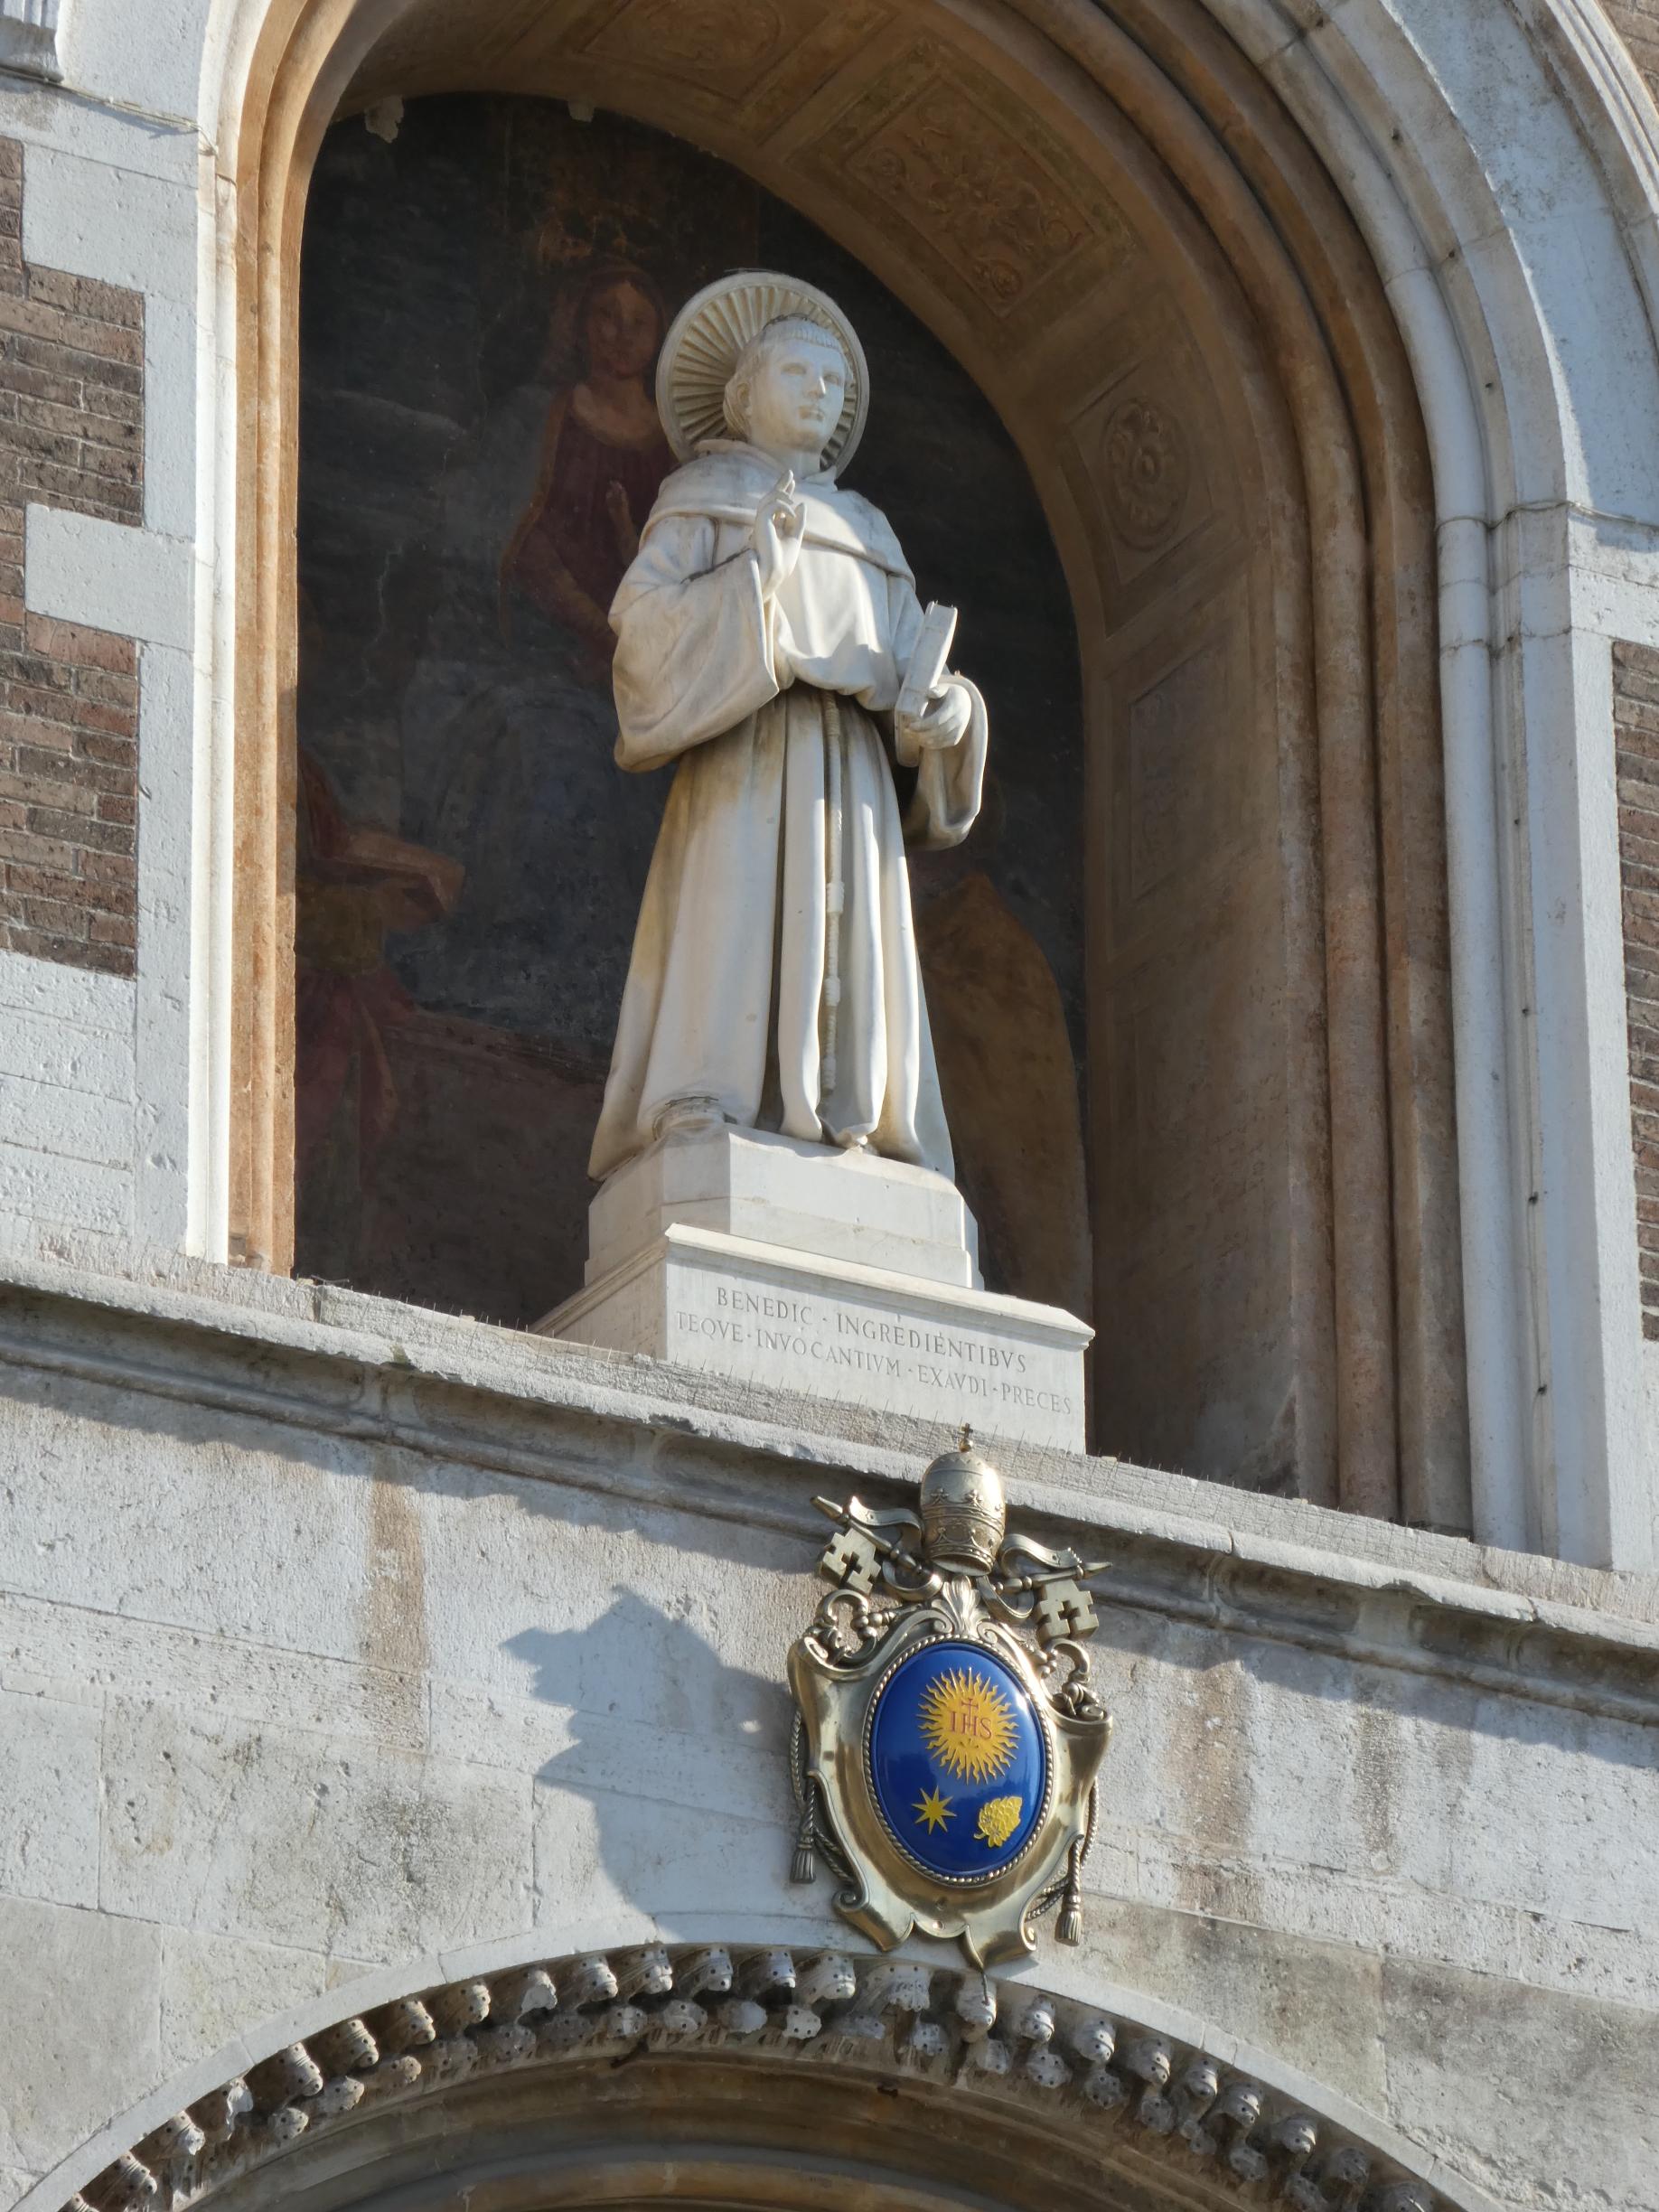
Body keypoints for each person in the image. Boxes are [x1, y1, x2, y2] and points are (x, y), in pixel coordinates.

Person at [589, 272, 987, 1184]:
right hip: (747, 755)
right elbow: (640, 637)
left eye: (835, 383)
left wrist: (949, 714)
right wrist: (750, 585)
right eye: (799, 374)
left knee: (853, 945)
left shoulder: (869, 531)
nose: (821, 393)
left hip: (854, 775)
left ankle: (853, 1121)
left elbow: (914, 674)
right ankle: (703, 1099)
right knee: (730, 917)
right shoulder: (701, 496)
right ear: (743, 394)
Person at [501, 261, 673, 677]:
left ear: (658, 338)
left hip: (648, 653)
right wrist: (601, 633)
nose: (623, 334)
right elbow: (518, 537)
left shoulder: (675, 445)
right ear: (581, 324)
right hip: (546, 641)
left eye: (639, 322)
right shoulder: (539, 415)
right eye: (608, 315)